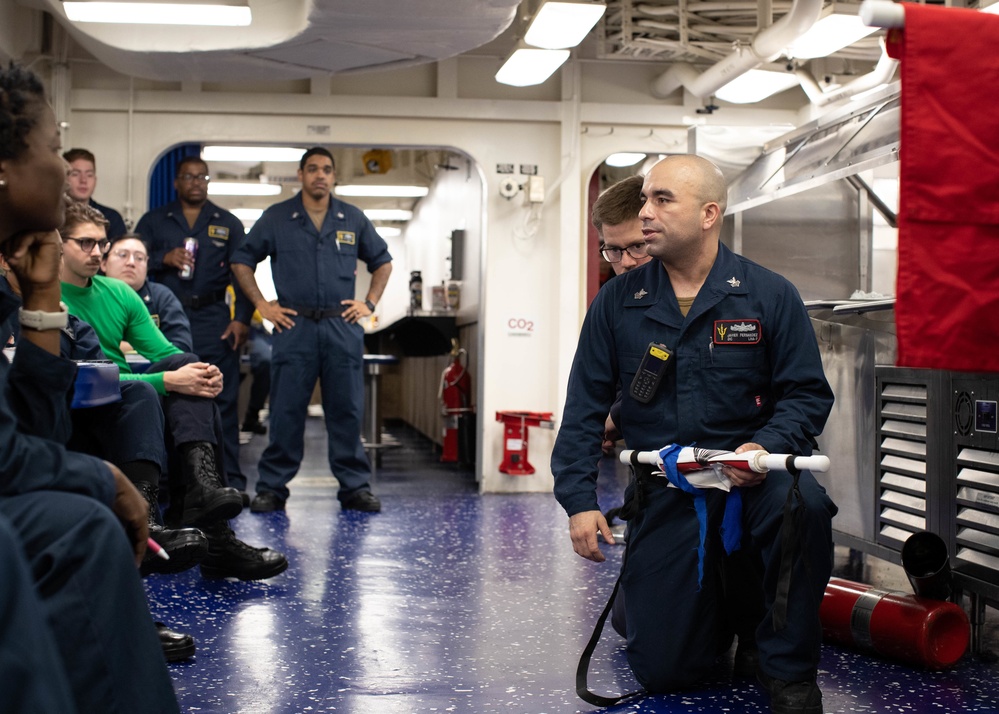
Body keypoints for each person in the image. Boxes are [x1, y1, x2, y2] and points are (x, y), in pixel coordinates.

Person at [551, 155, 836, 714]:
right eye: (644, 200)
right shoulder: (617, 302)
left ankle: (786, 669)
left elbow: (806, 394)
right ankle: (705, 613)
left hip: (754, 479)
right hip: (668, 485)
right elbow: (584, 405)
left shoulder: (768, 295)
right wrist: (579, 503)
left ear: (709, 214)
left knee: (803, 509)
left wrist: (765, 446)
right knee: (666, 672)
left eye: (662, 200)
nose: (645, 213)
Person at [0, 61, 179, 712]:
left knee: (134, 407)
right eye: (52, 149)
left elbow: (34, 428)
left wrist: (42, 296)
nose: (62, 170)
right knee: (82, 525)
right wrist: (102, 478)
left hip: (78, 399)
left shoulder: (20, 273)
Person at [59, 200, 288, 581]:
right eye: (85, 243)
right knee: (153, 391)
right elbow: (82, 376)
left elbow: (166, 353)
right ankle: (197, 531)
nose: (96, 252)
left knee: (188, 369)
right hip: (87, 406)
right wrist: (165, 380)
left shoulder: (116, 292)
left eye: (101, 243)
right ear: (58, 244)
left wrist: (201, 371)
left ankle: (204, 490)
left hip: (122, 397)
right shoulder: (48, 299)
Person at [232, 146, 392, 513]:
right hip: (294, 326)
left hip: (341, 325)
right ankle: (272, 488)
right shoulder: (276, 218)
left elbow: (382, 262)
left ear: (334, 177)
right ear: (301, 175)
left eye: (327, 170)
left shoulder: (351, 218)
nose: (320, 175)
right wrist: (262, 304)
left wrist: (368, 303)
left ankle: (354, 487)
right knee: (286, 410)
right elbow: (242, 260)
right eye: (313, 169)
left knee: (346, 410)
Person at [136, 157, 253, 501]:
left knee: (223, 400)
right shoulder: (154, 221)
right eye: (189, 176)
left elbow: (242, 274)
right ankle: (171, 484)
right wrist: (163, 259)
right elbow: (129, 259)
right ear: (176, 182)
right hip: (161, 318)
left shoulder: (228, 223)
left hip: (214, 318)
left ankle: (226, 481)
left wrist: (241, 319)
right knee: (166, 399)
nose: (196, 182)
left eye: (202, 176)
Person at [591, 174, 653, 456]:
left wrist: (616, 416)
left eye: (637, 247)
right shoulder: (611, 301)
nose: (626, 262)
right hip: (645, 464)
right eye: (614, 250)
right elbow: (592, 390)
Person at [102, 233, 194, 351]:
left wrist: (122, 347)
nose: (131, 262)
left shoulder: (161, 297)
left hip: (155, 368)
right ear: (103, 263)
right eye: (122, 255)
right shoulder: (90, 295)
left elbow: (182, 347)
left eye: (139, 258)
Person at [64, 147, 128, 238]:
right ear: (63, 178)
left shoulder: (111, 218)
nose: (83, 180)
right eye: (75, 174)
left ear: (95, 180)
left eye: (89, 175)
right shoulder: (52, 217)